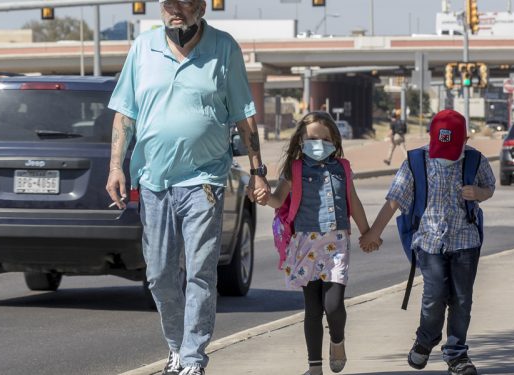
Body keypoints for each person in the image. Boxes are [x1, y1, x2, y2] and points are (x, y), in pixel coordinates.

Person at [105, 1, 270, 374]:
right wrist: (116, 166)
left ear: (200, 6)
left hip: (204, 180)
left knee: (199, 271)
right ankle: (177, 346)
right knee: (160, 274)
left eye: (184, 3)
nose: (175, 10)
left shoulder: (223, 48)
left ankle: (193, 357)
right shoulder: (142, 48)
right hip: (153, 180)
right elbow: (124, 113)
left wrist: (258, 169)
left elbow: (244, 113)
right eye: (169, 4)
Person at [360, 110, 495, 375]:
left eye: (452, 150)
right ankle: (426, 340)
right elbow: (394, 199)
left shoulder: (476, 160)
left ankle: (457, 355)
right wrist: (374, 232)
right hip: (429, 242)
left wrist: (478, 193)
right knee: (434, 296)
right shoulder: (415, 161)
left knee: (461, 300)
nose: (445, 156)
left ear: (465, 140)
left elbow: (489, 187)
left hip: (465, 241)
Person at [255, 112, 379, 375]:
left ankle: (337, 340)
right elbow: (279, 200)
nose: (319, 143)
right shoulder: (295, 169)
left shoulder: (343, 168)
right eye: (312, 138)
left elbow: (353, 201)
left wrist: (367, 232)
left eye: (325, 138)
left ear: (334, 140)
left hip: (336, 244)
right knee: (312, 309)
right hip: (305, 245)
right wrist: (265, 197)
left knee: (333, 305)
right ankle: (314, 367)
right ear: (301, 140)